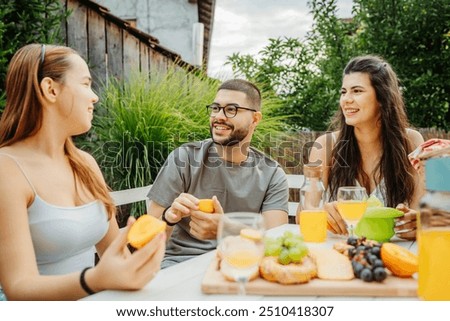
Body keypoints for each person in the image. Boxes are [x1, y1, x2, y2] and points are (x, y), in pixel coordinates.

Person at [0, 44, 165, 300]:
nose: (94, 96)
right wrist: (95, 280)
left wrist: (141, 255)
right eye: (86, 84)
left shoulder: (85, 163)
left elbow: (114, 253)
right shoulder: (7, 168)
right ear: (50, 89)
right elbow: (19, 288)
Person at [147, 79, 289, 268]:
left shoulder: (272, 174)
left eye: (231, 109)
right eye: (215, 108)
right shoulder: (184, 158)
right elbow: (148, 240)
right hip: (180, 266)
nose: (219, 116)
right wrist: (168, 217)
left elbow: (276, 241)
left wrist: (226, 228)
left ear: (255, 119)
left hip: (240, 263)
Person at [307, 55, 424, 240]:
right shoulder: (326, 145)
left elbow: (421, 213)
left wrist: (417, 222)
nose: (346, 99)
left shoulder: (411, 141)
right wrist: (320, 211)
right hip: (338, 253)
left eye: (357, 91)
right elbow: (303, 214)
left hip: (393, 254)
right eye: (343, 92)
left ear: (382, 97)